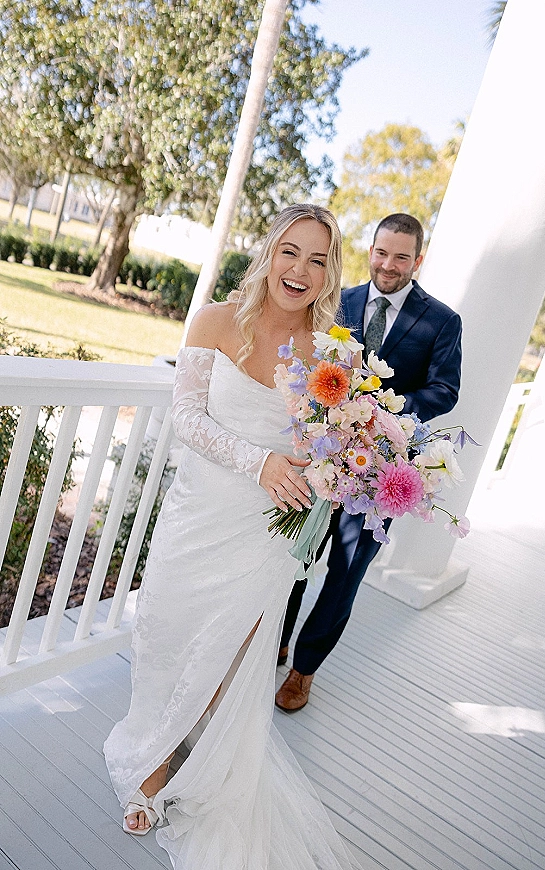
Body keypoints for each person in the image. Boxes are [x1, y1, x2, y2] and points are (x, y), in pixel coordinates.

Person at [104, 204, 363, 869]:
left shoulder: (336, 351)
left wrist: (327, 467)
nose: (300, 270)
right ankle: (154, 758)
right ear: (267, 253)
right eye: (290, 251)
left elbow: (335, 445)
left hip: (266, 532)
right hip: (199, 513)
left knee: (225, 661)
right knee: (163, 633)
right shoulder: (216, 320)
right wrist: (261, 462)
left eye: (317, 259)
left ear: (330, 272)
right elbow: (186, 417)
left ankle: (195, 772)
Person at [275, 212, 462, 713]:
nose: (389, 264)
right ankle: (276, 641)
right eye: (382, 252)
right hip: (323, 458)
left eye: (402, 256)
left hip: (383, 470)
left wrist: (384, 412)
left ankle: (303, 670)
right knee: (296, 557)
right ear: (371, 250)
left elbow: (445, 389)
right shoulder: (338, 300)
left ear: (417, 260)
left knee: (344, 574)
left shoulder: (443, 321)